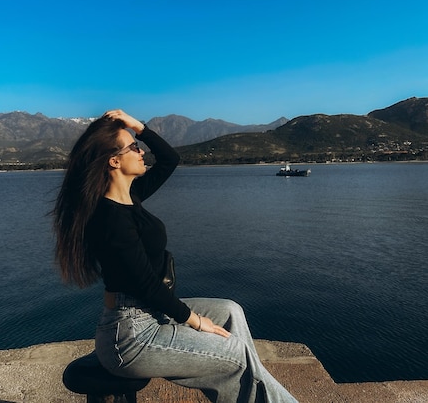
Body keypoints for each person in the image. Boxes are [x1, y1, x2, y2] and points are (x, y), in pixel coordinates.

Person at [52, 109, 299, 403]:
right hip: (130, 336)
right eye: (133, 147)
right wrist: (195, 320)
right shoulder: (109, 218)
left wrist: (138, 127)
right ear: (114, 161)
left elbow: (170, 159)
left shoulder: (131, 196)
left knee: (231, 311)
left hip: (150, 315)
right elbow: (147, 285)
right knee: (233, 355)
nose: (141, 151)